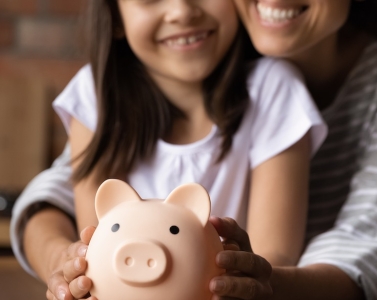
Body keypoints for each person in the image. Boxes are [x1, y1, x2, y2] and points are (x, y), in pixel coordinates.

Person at [11, 0, 377, 299]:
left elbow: (361, 246)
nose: (180, 10)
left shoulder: (275, 84)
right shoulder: (188, 54)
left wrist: (247, 281)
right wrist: (68, 262)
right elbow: (73, 191)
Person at [10, 0, 329, 299]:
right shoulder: (96, 95)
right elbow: (98, 241)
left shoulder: (275, 91)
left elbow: (274, 256)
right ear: (116, 17)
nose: (182, 11)